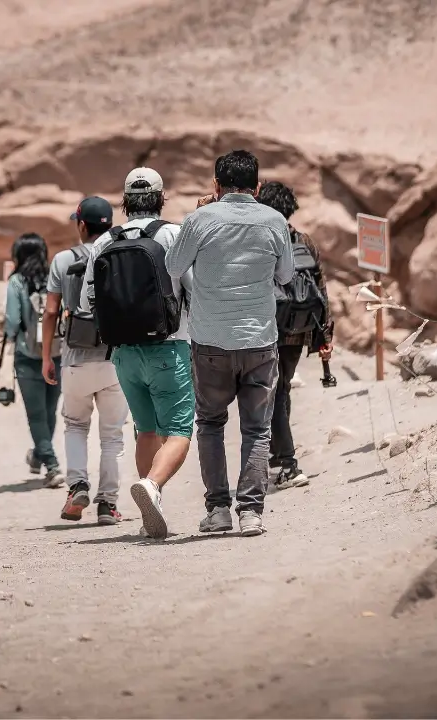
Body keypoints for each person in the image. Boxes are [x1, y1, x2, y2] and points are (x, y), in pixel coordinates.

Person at [165, 150, 294, 537]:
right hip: (259, 341)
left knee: (209, 423)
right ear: (257, 186)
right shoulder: (274, 221)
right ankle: (251, 511)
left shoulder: (200, 219)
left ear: (216, 186)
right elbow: (286, 275)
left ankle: (218, 509)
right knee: (257, 430)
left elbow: (173, 267)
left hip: (210, 344)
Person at [83, 168, 195, 539]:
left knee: (146, 429)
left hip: (124, 353)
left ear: (125, 202)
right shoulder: (173, 234)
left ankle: (152, 508)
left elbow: (88, 299)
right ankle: (152, 487)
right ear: (161, 198)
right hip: (169, 346)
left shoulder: (103, 243)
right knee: (179, 429)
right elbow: (192, 289)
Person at [41, 197, 129, 525]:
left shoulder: (63, 260)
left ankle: (77, 485)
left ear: (81, 225)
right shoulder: (118, 252)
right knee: (112, 435)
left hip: (75, 357)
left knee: (75, 425)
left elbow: (51, 311)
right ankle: (107, 504)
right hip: (114, 357)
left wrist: (46, 357)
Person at [257, 181, 333, 489]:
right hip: (299, 331)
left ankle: (288, 464)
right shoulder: (305, 241)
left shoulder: (262, 241)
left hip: (268, 329)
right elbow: (321, 291)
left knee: (273, 393)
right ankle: (278, 454)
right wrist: (325, 336)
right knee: (282, 387)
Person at [4, 233, 64, 488]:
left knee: (37, 414)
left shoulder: (17, 281)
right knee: (49, 411)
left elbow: (12, 321)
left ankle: (51, 465)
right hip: (56, 353)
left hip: (27, 357)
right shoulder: (53, 277)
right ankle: (41, 454)